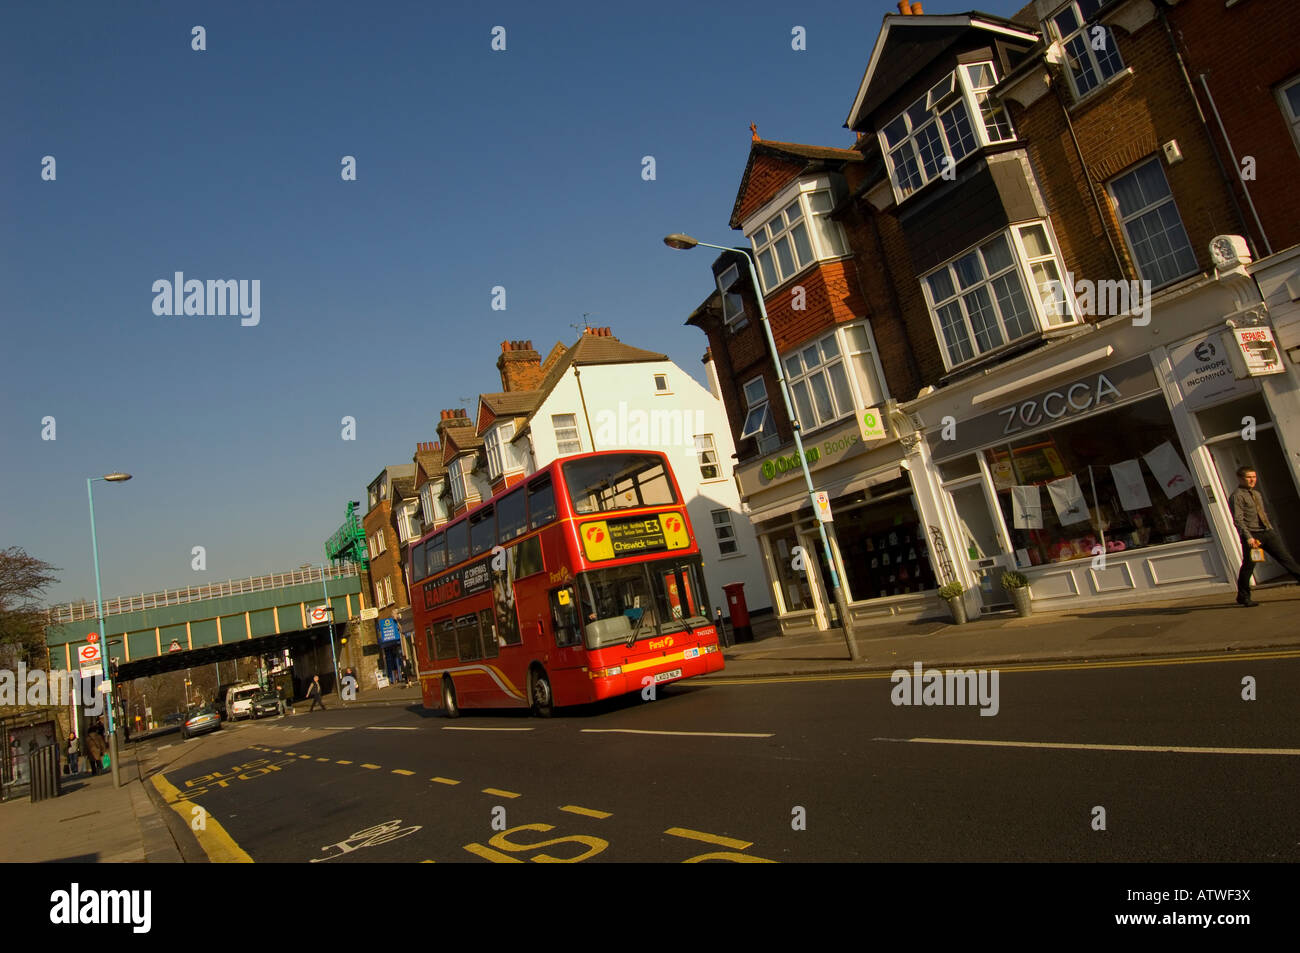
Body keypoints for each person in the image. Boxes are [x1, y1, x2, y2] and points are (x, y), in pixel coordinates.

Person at [1230, 466, 1300, 606]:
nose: (1252, 480)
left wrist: (1270, 528)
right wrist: (1248, 537)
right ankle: (1243, 596)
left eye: (1254, 477)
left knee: (1286, 559)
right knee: (1249, 566)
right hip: (1253, 537)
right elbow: (1238, 519)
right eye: (1249, 477)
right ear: (1240, 479)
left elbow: (1262, 512)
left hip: (1267, 533)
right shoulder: (1237, 496)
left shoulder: (1257, 494)